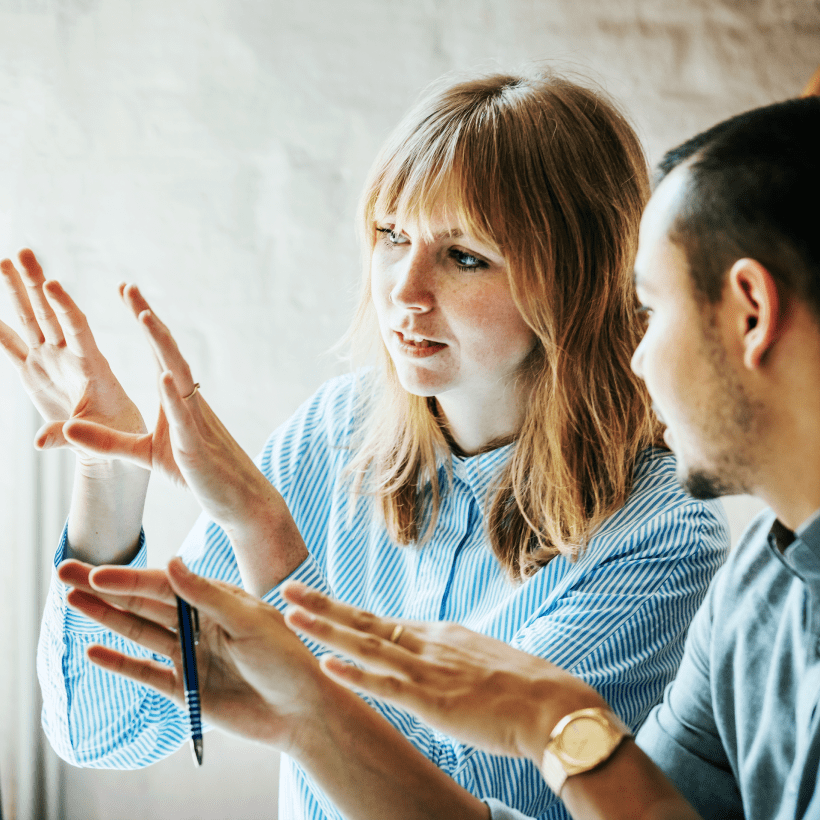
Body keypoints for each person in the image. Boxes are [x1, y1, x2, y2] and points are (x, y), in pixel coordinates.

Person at [1, 71, 727, 820]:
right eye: (392, 235)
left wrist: (267, 539)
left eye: (465, 256)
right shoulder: (333, 434)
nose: (404, 290)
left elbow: (465, 795)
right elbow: (103, 732)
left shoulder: (663, 532)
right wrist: (109, 485)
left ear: (576, 280)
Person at [231, 94, 818, 820]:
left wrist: (555, 723)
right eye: (390, 236)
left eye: (651, 309)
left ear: (751, 313)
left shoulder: (667, 531)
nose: (636, 358)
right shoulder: (762, 580)